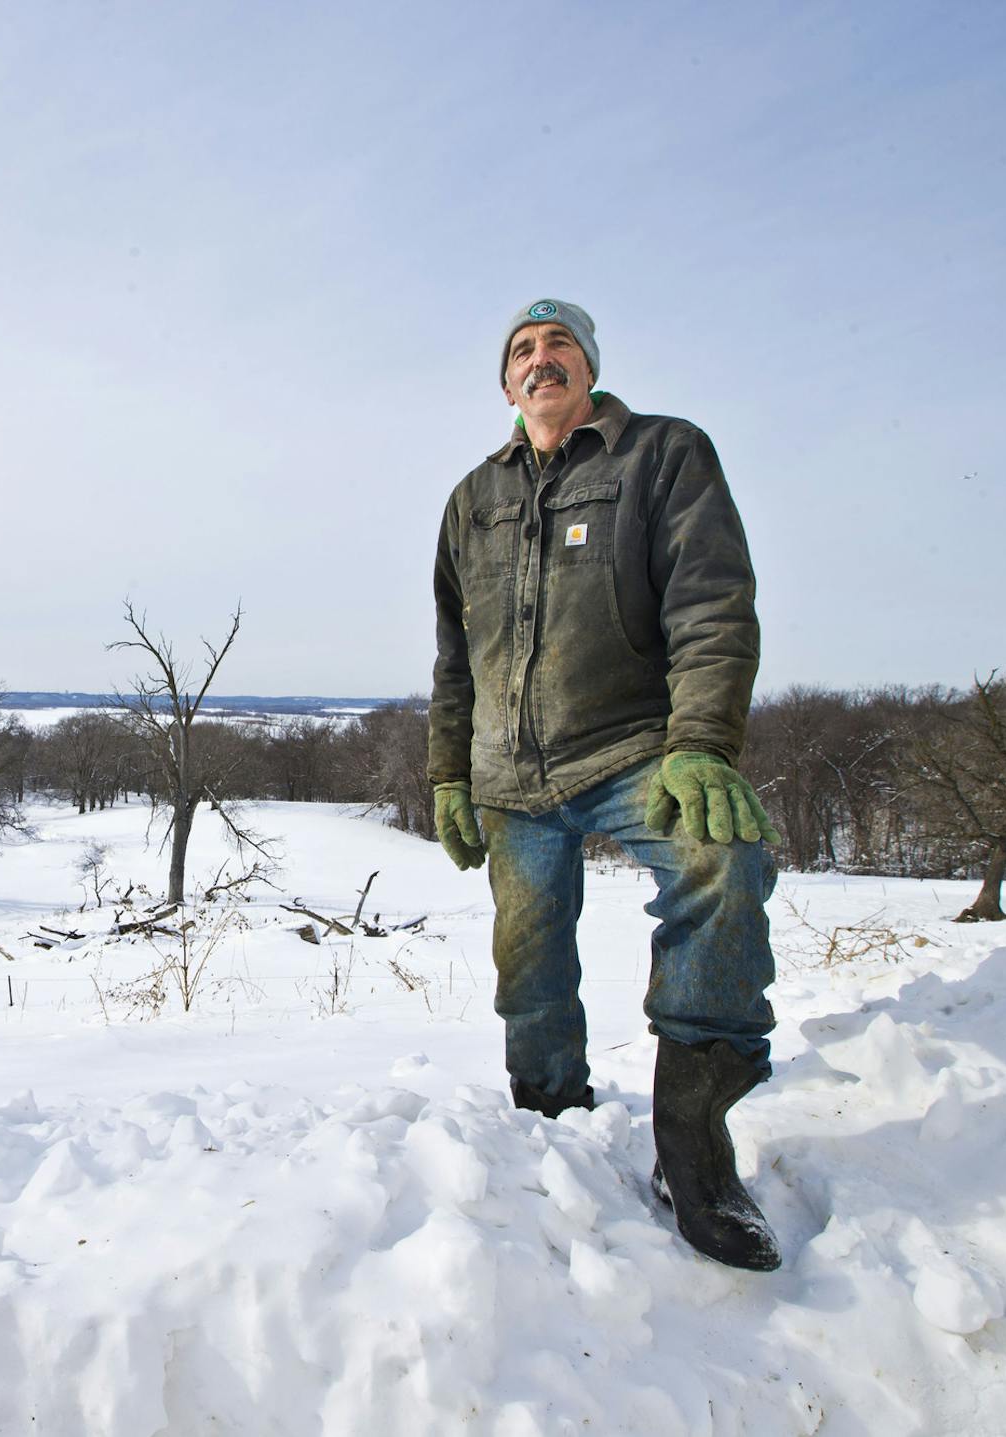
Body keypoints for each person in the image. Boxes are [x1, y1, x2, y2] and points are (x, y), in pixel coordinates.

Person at [426, 298, 783, 1271]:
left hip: (637, 750)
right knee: (528, 962)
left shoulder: (663, 455)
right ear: (507, 386)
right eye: (522, 350)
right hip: (509, 773)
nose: (542, 359)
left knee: (723, 861)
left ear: (589, 368)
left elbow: (713, 602)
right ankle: (547, 1123)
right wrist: (447, 771)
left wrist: (701, 742)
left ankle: (694, 1152)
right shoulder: (471, 499)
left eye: (560, 345)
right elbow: (456, 655)